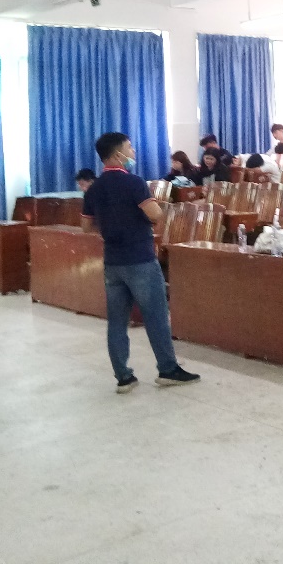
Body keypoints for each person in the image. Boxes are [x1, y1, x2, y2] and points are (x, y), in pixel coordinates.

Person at [81, 132, 199, 393]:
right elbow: (155, 215)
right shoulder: (133, 182)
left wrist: (111, 224)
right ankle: (167, 369)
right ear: (117, 155)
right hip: (140, 258)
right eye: (130, 148)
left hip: (113, 262)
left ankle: (123, 377)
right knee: (156, 316)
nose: (133, 152)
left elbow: (86, 227)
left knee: (116, 321)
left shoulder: (94, 188)